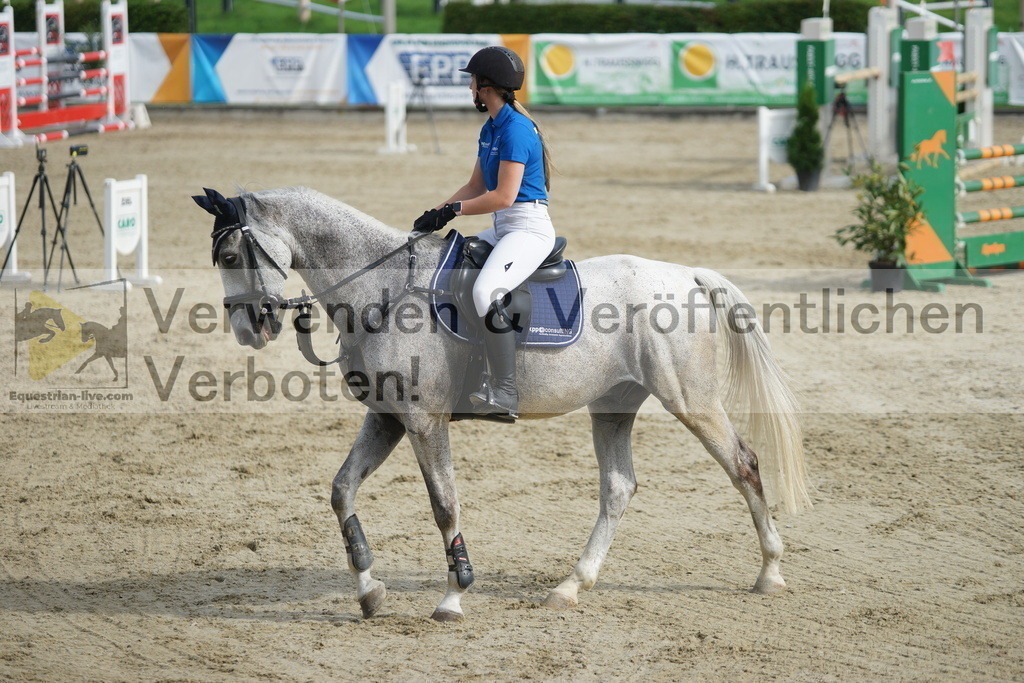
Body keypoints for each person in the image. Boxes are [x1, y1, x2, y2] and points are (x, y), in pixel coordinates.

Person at [413, 45, 554, 420]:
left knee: (484, 290)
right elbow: (476, 185)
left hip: (527, 228)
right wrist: (438, 212)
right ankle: (468, 374)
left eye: (472, 81)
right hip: (502, 226)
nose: (470, 87)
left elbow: (504, 196)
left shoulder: (517, 130)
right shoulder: (491, 127)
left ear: (485, 86)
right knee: (447, 260)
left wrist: (455, 210)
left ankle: (506, 391)